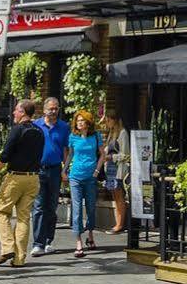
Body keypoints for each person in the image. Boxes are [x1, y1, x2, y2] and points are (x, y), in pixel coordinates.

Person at [0, 100, 44, 267]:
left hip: (16, 178)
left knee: (1, 211)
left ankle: (7, 247)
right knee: (23, 218)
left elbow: (4, 155)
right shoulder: (39, 131)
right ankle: (19, 259)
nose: (13, 113)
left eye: (16, 110)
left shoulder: (17, 130)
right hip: (33, 178)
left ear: (23, 112)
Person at [30, 97, 69, 258]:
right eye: (51, 108)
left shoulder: (64, 127)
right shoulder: (36, 125)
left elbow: (66, 151)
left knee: (51, 206)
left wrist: (65, 170)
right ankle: (37, 244)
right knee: (39, 206)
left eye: (56, 108)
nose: (54, 111)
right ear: (44, 109)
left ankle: (48, 241)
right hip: (38, 169)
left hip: (55, 170)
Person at [63, 109, 105, 258]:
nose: (79, 123)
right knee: (77, 209)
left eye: (82, 120)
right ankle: (78, 242)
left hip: (91, 178)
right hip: (75, 177)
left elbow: (102, 155)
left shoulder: (96, 136)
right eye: (78, 121)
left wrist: (96, 171)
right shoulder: (73, 137)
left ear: (88, 123)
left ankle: (91, 235)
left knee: (91, 208)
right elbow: (70, 155)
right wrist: (65, 170)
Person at [100, 110, 129, 234]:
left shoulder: (122, 133)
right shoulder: (112, 134)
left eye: (108, 120)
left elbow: (126, 155)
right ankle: (117, 223)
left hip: (118, 169)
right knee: (115, 196)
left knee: (119, 197)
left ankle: (120, 224)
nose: (106, 123)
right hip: (111, 169)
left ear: (114, 119)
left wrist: (111, 157)